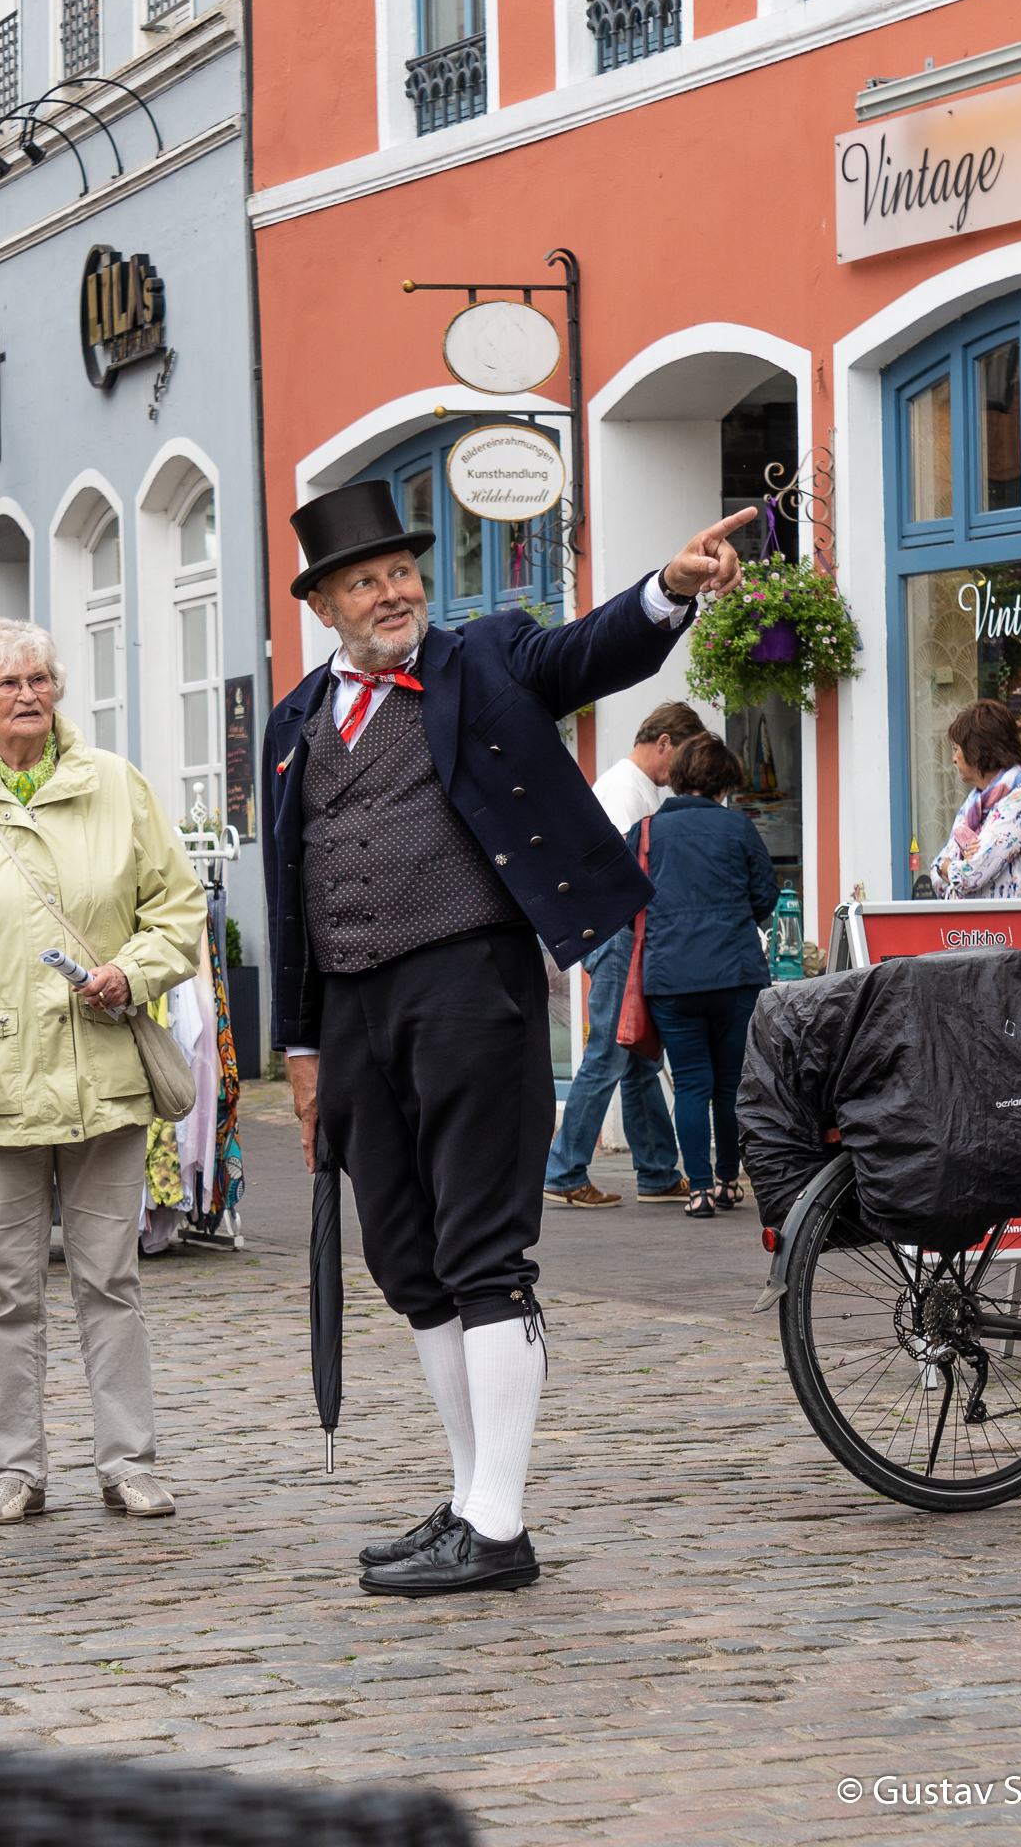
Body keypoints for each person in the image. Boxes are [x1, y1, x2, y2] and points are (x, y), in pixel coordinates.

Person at [263, 477, 752, 1597]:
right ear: (327, 601)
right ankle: (472, 1494)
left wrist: (669, 589)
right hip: (349, 1012)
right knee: (409, 1260)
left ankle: (498, 1521)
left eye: (402, 572)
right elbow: (289, 892)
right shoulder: (296, 722)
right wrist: (299, 1051)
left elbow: (587, 652)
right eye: (366, 579)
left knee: (484, 1250)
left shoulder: (483, 655)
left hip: (469, 983)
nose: (393, 592)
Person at [0, 619, 206, 1526]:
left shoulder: (115, 787)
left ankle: (128, 1461)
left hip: (102, 1078)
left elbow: (178, 910)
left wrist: (129, 972)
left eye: (42, 678)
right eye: (9, 682)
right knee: (7, 1289)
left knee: (111, 1280)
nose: (29, 693)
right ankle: (15, 1468)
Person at [542, 703, 704, 1210]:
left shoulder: (634, 787)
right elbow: (620, 875)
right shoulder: (624, 790)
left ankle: (656, 1170)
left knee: (636, 1052)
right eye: (679, 757)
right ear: (663, 743)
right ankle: (564, 1168)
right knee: (611, 1053)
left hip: (617, 934)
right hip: (616, 934)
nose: (678, 772)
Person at [629, 733, 779, 1221]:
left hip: (671, 977)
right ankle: (729, 1179)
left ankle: (697, 1190)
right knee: (731, 1084)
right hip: (735, 972)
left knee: (691, 1083)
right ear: (723, 782)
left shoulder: (647, 831)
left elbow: (626, 898)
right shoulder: (739, 828)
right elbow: (766, 895)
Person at [930, 699, 1021, 900]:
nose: (954, 759)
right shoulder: (973, 804)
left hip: (1016, 929)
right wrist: (947, 867)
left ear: (977, 750)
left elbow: (970, 876)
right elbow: (936, 878)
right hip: (976, 930)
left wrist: (946, 867)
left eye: (957, 749)